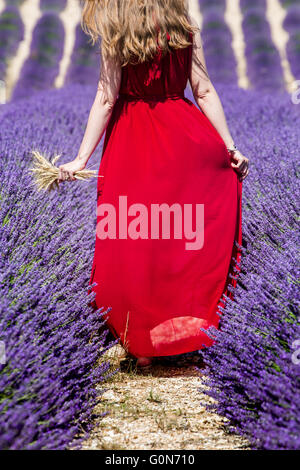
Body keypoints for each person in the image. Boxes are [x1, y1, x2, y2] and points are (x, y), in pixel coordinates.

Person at [58, 0, 249, 370]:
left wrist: (81, 158)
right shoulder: (183, 25)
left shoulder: (116, 29)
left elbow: (106, 97)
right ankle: (181, 335)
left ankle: (141, 340)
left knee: (132, 239)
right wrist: (229, 146)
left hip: (133, 141)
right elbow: (204, 90)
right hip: (185, 138)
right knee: (181, 239)